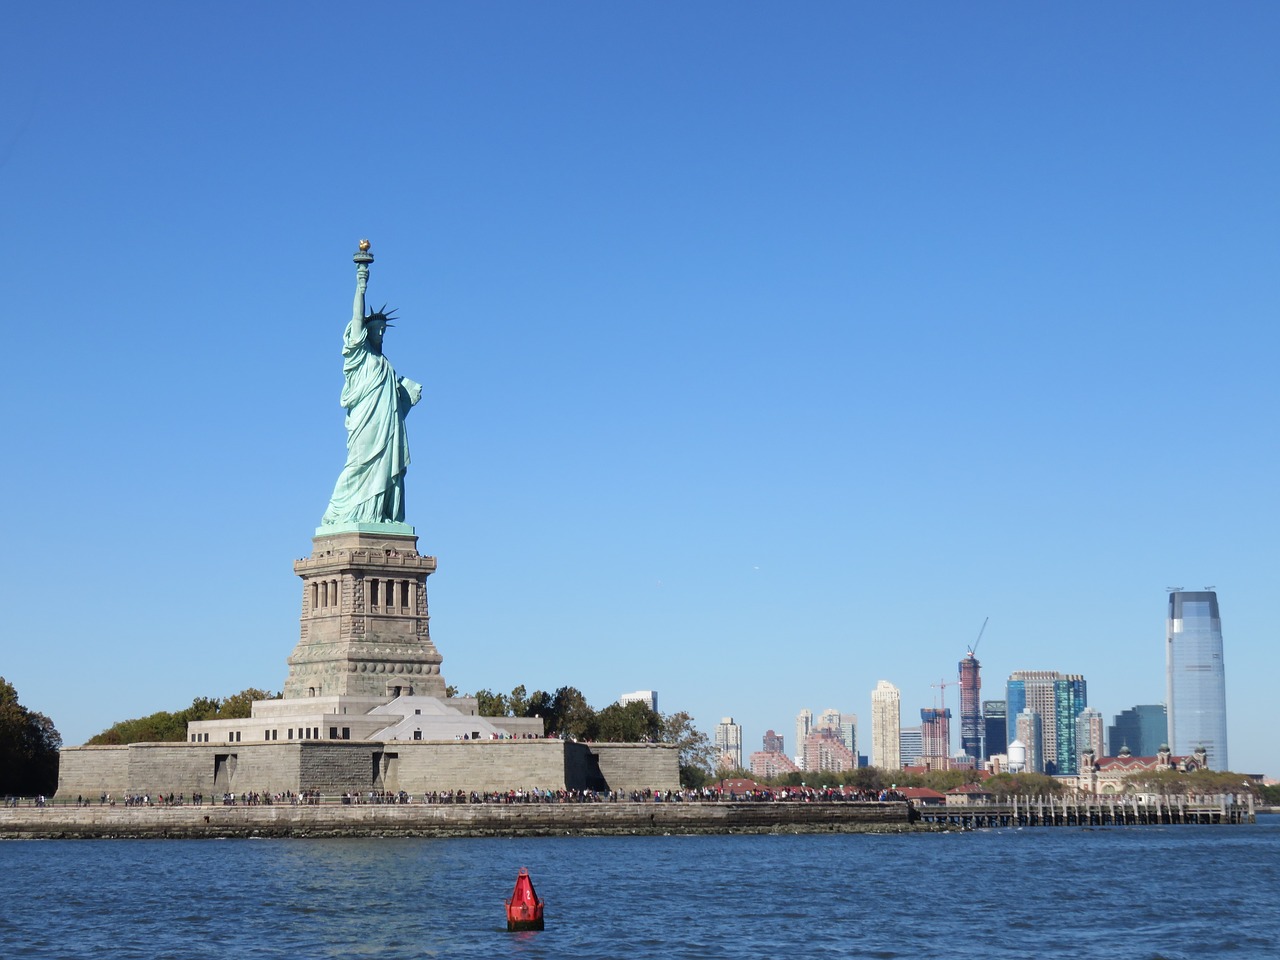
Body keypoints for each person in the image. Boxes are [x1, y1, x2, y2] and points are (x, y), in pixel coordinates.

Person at [320, 256, 423, 525]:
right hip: (366, 424)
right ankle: (338, 512)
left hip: (386, 427)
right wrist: (361, 285)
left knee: (384, 467)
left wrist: (406, 395)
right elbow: (357, 319)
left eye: (383, 331)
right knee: (358, 464)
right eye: (375, 330)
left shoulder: (385, 364)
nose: (380, 335)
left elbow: (394, 404)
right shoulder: (359, 357)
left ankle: (378, 514)